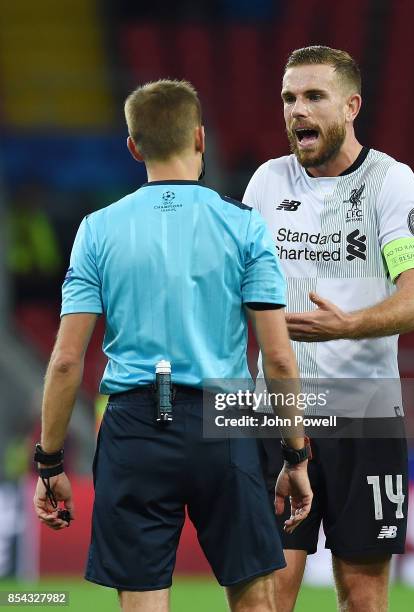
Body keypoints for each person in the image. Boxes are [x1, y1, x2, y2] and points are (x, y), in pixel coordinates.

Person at [32, 79, 313, 612]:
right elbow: (277, 356)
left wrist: (49, 463)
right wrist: (295, 454)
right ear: (201, 139)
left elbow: (67, 359)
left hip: (134, 425)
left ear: (134, 147)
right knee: (255, 600)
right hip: (222, 422)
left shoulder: (97, 229)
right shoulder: (244, 226)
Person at [243, 46, 414, 612]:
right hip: (275, 414)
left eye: (312, 97)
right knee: (268, 591)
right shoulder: (266, 183)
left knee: (364, 593)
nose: (296, 110)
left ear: (351, 106)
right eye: (288, 98)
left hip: (365, 415)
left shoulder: (390, 183)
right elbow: (235, 290)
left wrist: (346, 325)